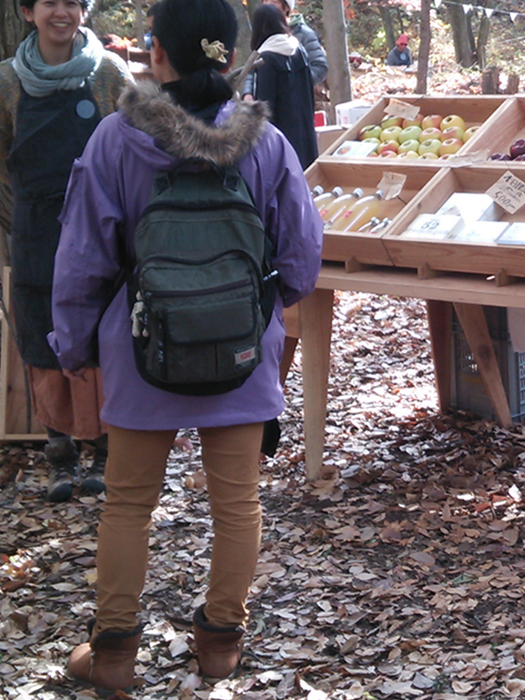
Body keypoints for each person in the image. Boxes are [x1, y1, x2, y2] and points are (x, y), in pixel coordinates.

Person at [50, 0, 322, 690]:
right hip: (238, 350)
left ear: (156, 54)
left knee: (127, 503)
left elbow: (82, 258)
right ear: (229, 57)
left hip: (141, 350)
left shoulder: (115, 139)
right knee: (238, 505)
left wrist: (75, 345)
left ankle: (111, 655)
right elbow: (301, 257)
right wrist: (256, 310)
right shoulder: (266, 143)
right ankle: (222, 643)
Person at [0, 0, 133, 502]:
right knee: (40, 334)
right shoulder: (7, 82)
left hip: (99, 228)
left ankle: (103, 448)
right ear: (27, 11)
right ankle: (58, 453)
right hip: (35, 228)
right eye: (49, 2)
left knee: (101, 333)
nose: (62, 12)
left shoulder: (109, 73)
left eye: (72, 3)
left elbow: (134, 144)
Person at [246, 3, 316, 168]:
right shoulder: (299, 49)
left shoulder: (266, 59)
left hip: (282, 142)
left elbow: (266, 110)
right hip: (305, 131)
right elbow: (309, 92)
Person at [241, 0, 326, 97]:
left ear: (286, 8)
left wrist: (294, 84)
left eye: (274, 1)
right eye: (265, 0)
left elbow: (320, 67)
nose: (268, 4)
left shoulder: (304, 34)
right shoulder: (263, 33)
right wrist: (248, 93)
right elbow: (253, 69)